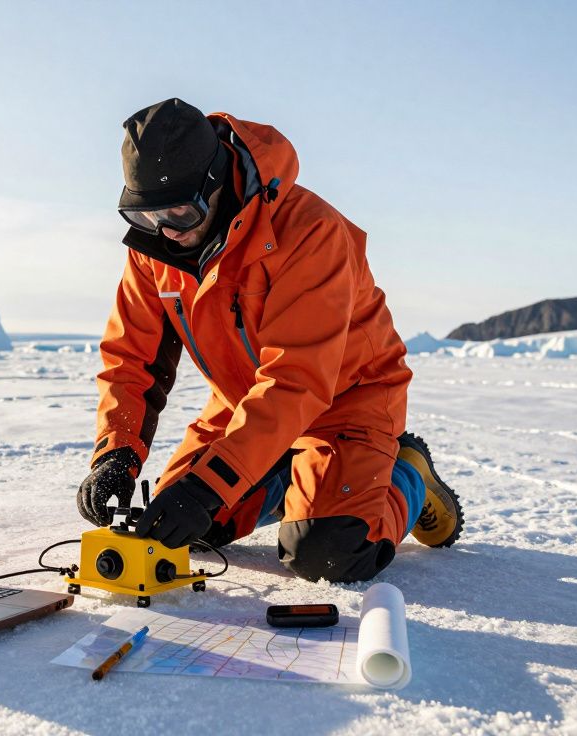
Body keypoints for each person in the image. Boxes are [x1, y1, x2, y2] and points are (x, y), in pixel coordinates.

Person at [76, 98, 464, 583]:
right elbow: (131, 359)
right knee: (177, 527)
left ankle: (407, 476)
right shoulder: (156, 248)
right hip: (244, 404)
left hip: (348, 399)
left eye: (178, 211)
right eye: (147, 216)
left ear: (216, 182)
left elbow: (295, 380)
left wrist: (210, 485)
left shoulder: (311, 232)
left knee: (324, 552)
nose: (166, 232)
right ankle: (291, 475)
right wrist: (116, 454)